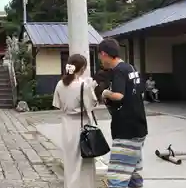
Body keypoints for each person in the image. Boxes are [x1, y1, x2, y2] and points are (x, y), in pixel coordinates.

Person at [98, 38, 148, 188]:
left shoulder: (118, 71)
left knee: (117, 177)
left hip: (126, 130)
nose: (100, 59)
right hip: (139, 127)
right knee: (134, 173)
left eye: (100, 56)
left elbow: (119, 96)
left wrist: (105, 93)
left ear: (104, 54)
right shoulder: (130, 68)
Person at [52, 54, 98, 188]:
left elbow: (57, 104)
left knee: (70, 160)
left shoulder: (60, 83)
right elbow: (91, 106)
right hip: (81, 123)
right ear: (82, 68)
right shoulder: (84, 85)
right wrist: (92, 89)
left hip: (67, 123)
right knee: (85, 160)